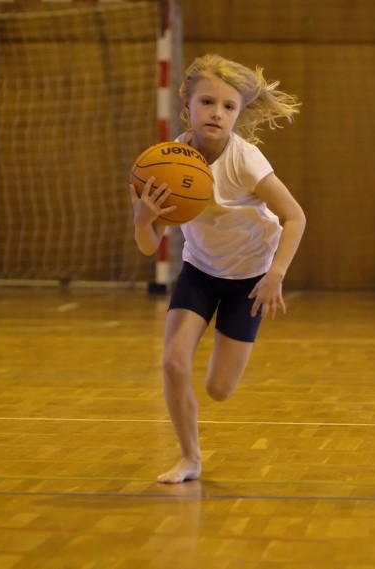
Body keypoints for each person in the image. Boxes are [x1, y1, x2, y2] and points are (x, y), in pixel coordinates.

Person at [129, 54, 306, 484]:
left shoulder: (246, 160)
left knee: (218, 390)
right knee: (173, 363)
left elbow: (296, 217)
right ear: (186, 104)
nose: (217, 113)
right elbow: (149, 246)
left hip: (250, 280)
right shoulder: (163, 162)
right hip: (200, 272)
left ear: (239, 114)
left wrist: (276, 274)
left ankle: (225, 353)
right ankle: (190, 458)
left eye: (229, 106)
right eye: (207, 102)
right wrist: (142, 217)